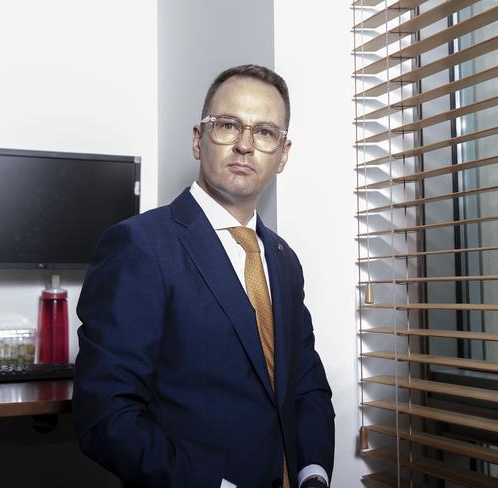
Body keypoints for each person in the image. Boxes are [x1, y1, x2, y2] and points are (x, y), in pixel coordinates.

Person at [73, 64, 335, 488]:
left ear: (283, 154)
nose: (246, 145)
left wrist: (313, 473)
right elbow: (105, 414)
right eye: (228, 125)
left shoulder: (285, 260)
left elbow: (306, 386)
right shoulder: (139, 246)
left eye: (266, 132)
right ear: (199, 139)